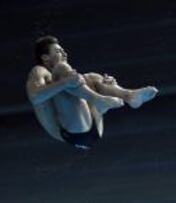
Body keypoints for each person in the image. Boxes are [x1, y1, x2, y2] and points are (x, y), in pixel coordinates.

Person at [26, 35, 158, 150]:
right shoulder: (39, 71)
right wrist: (65, 82)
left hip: (92, 121)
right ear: (45, 57)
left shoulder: (68, 79)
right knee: (62, 70)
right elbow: (35, 97)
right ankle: (99, 100)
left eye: (63, 50)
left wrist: (108, 86)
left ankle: (128, 95)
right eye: (59, 51)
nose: (65, 53)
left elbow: (73, 82)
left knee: (92, 77)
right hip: (72, 133)